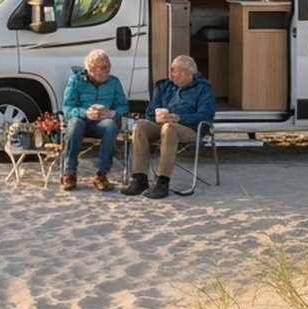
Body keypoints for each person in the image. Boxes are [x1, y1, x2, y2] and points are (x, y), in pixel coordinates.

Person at [125, 55, 216, 199]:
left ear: (188, 73)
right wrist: (157, 116)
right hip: (161, 125)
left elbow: (206, 116)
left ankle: (162, 182)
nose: (171, 74)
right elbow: (150, 111)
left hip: (190, 129)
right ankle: (139, 178)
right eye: (171, 70)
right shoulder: (165, 86)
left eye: (175, 71)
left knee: (169, 128)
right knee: (140, 127)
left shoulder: (203, 88)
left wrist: (179, 118)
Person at [60, 49, 127, 191]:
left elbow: (123, 106)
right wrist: (86, 113)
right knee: (75, 123)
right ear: (91, 69)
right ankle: (69, 172)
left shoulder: (114, 82)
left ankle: (101, 174)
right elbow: (68, 109)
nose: (107, 70)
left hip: (102, 122)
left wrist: (113, 112)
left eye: (108, 66)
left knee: (110, 125)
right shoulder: (76, 81)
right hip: (82, 121)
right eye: (103, 67)